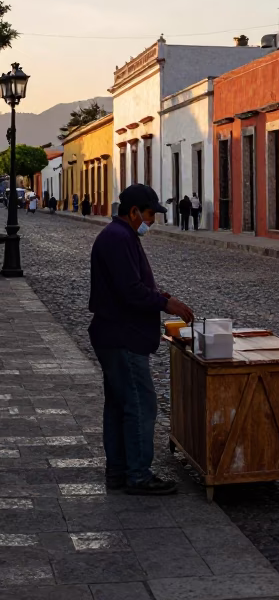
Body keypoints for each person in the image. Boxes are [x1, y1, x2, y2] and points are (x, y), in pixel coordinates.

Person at [88, 183, 194, 496]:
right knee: (139, 404)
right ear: (134, 212)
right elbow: (130, 291)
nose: (153, 220)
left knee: (120, 404)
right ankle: (137, 474)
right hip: (122, 336)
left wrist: (162, 296)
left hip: (116, 334)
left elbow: (131, 284)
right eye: (150, 214)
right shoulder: (118, 238)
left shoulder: (122, 235)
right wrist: (166, 303)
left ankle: (119, 470)